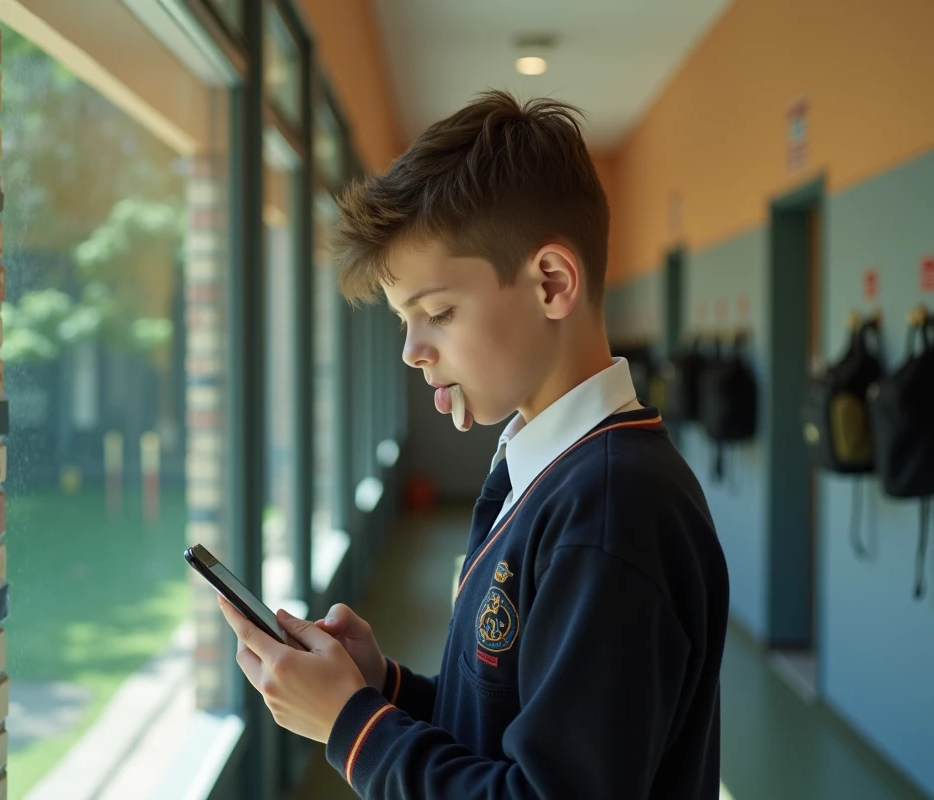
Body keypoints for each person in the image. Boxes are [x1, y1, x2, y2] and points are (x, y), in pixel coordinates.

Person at [216, 90, 730, 799]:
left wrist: (352, 725)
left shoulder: (612, 511)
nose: (413, 350)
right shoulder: (550, 469)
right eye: (407, 321)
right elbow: (507, 729)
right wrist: (380, 687)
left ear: (552, 283)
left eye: (438, 313)